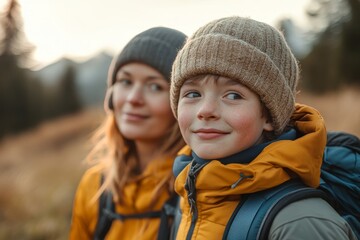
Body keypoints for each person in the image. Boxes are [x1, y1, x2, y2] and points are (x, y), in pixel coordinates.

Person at [169, 16, 358, 239]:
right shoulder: (191, 197)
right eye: (192, 94)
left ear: (269, 115)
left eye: (233, 95)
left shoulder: (299, 222)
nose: (206, 110)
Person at [69, 26, 187, 239]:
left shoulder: (196, 188)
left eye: (155, 87)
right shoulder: (94, 185)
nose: (133, 98)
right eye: (125, 81)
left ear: (182, 104)